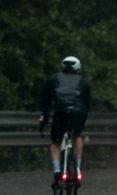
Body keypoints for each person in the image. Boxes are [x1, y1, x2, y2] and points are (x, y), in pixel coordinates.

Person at [39, 56, 90, 186]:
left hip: (61, 112)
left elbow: (46, 101)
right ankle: (77, 168)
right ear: (78, 68)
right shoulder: (83, 82)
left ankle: (57, 170)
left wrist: (44, 116)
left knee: (55, 142)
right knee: (77, 135)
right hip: (79, 112)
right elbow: (87, 103)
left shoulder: (53, 78)